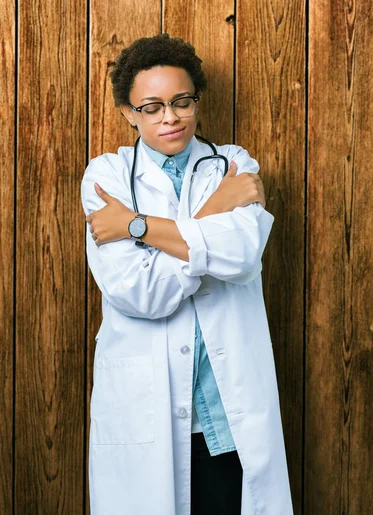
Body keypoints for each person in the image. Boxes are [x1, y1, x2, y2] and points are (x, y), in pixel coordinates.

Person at [81, 33, 293, 515]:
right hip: (147, 407)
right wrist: (215, 211)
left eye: (181, 102)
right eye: (151, 107)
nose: (169, 117)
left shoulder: (234, 164)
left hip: (224, 409)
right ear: (128, 113)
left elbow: (239, 256)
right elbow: (141, 292)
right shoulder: (107, 177)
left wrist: (136, 227)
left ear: (196, 99)